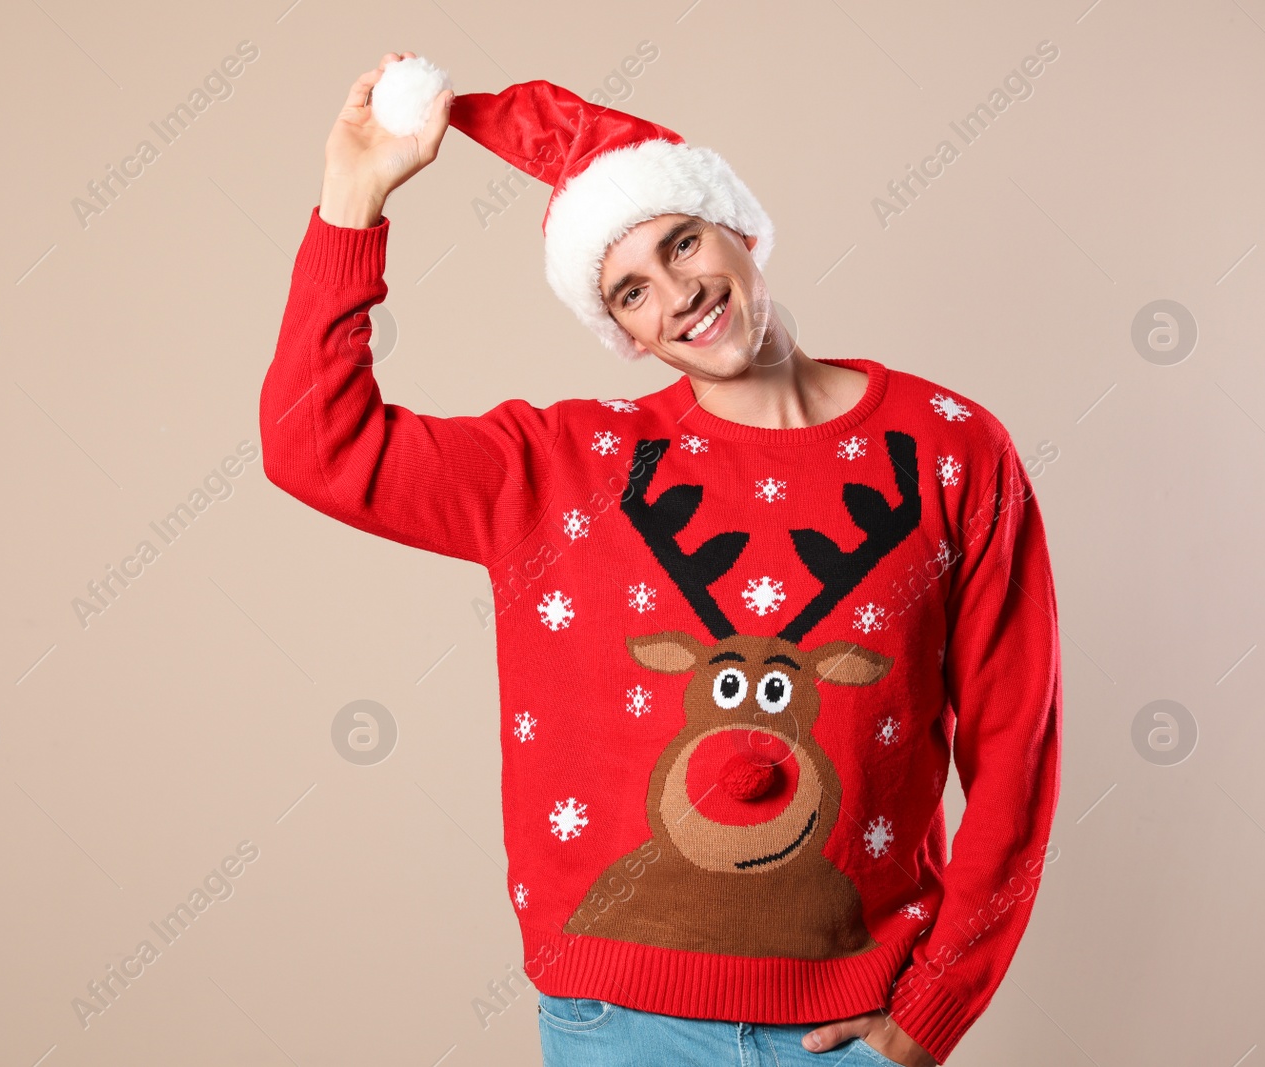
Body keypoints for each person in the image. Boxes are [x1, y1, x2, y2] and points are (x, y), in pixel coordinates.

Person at [260, 51, 1063, 1067]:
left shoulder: (951, 448)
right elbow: (310, 440)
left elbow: (1014, 747)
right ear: (622, 332)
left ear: (738, 225)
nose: (678, 293)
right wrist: (351, 202)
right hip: (616, 1029)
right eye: (631, 290)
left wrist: (936, 1003)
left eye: (683, 243)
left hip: (855, 1026)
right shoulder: (561, 467)